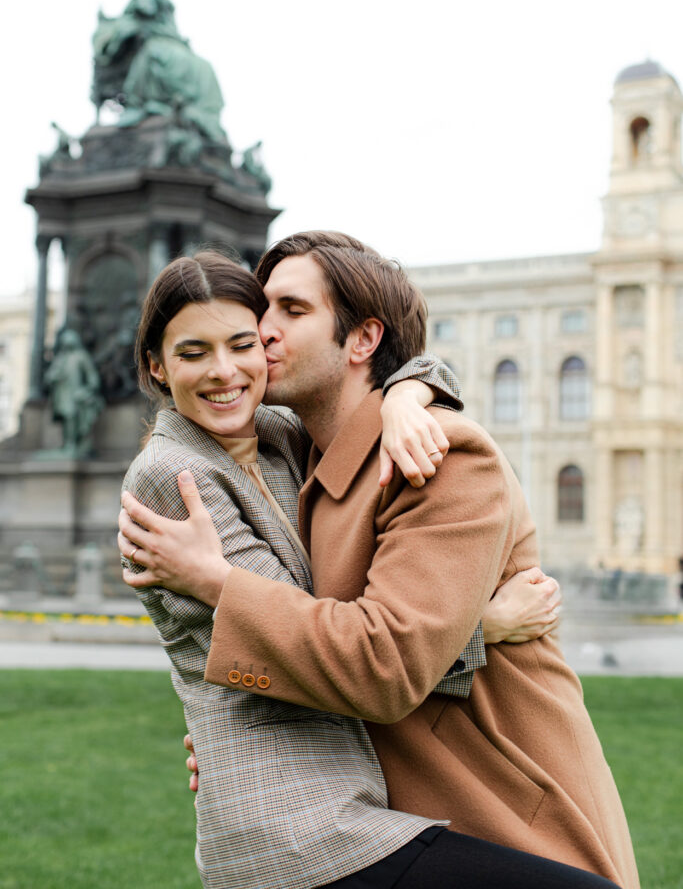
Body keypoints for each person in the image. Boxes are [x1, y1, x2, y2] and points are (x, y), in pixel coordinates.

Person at [121, 232, 639, 889]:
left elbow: (381, 665)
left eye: (290, 311)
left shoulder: (435, 459)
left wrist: (411, 392)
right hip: (386, 815)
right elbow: (302, 647)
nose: (261, 332)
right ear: (157, 365)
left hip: (500, 811)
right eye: (259, 314)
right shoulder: (290, 452)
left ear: (362, 340)